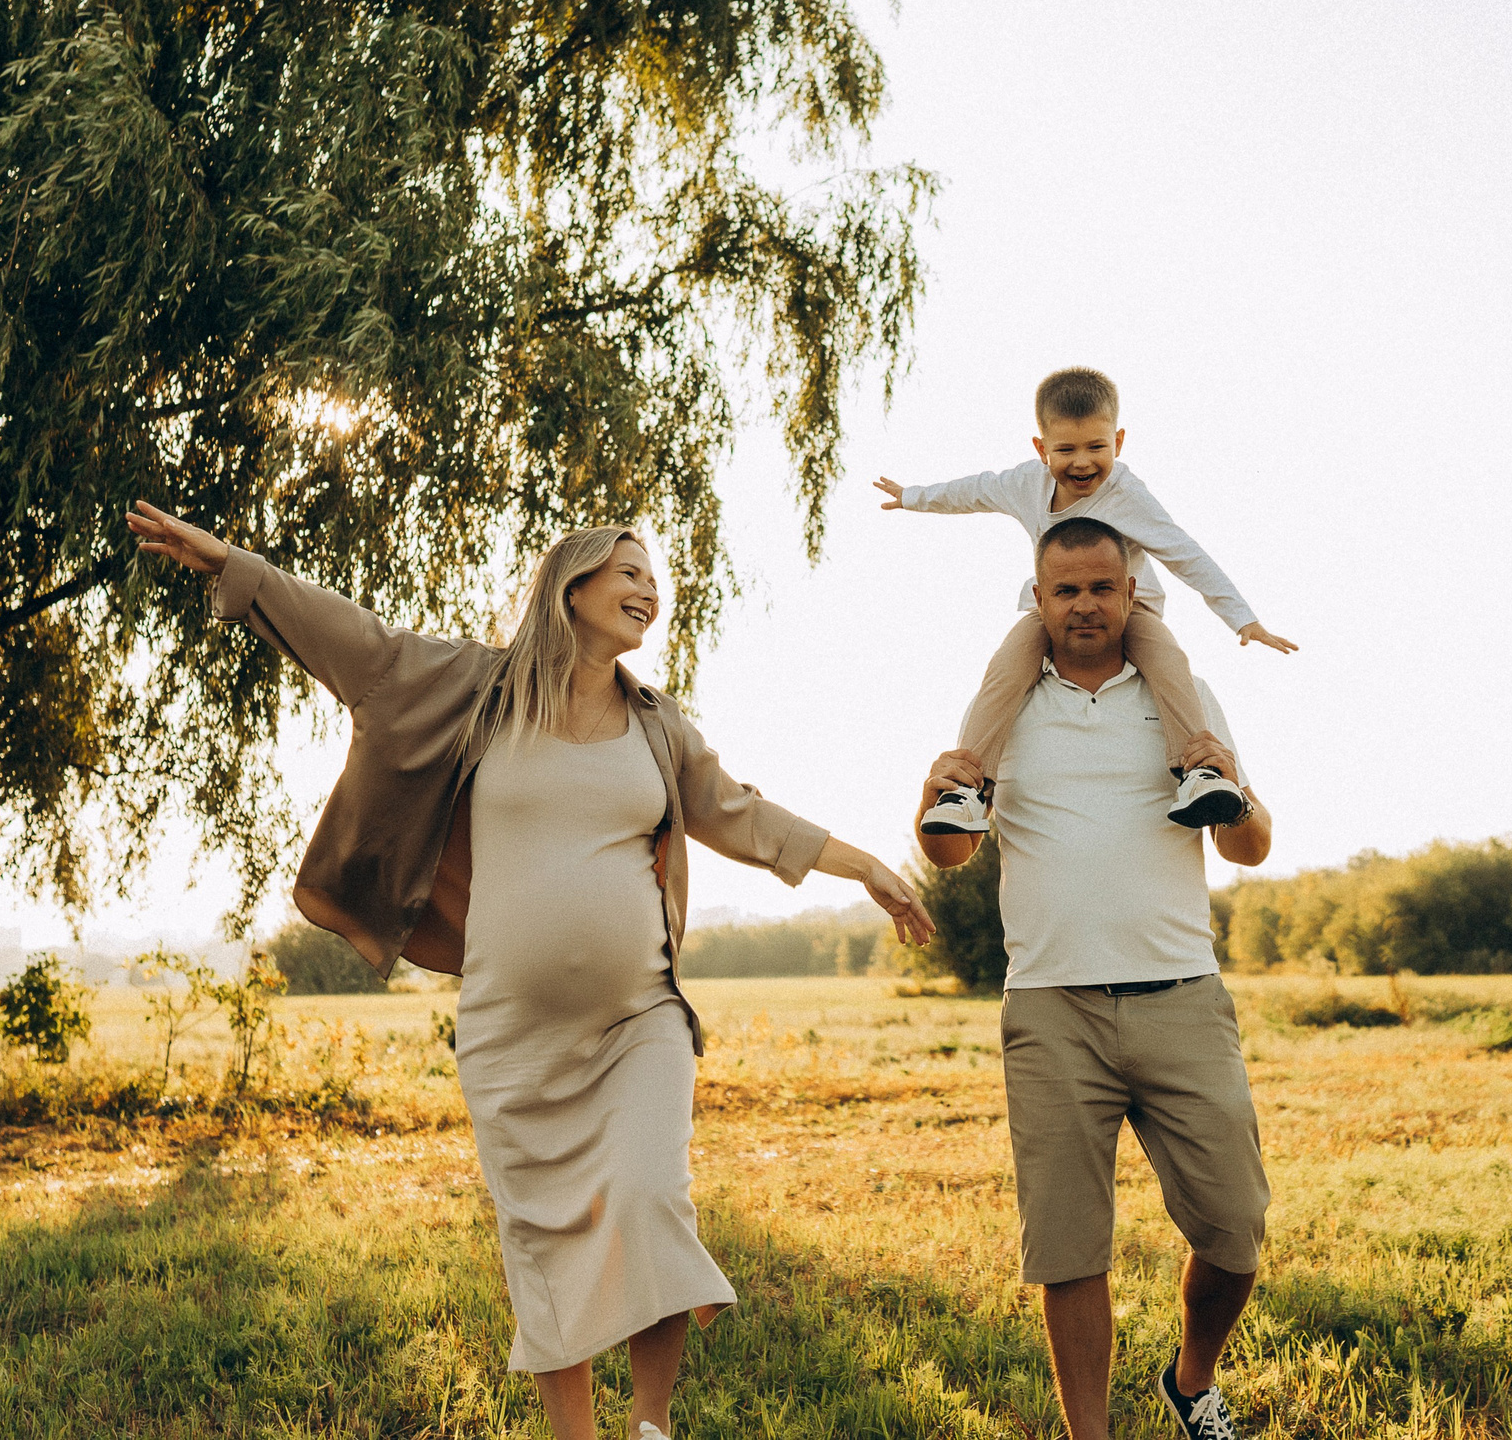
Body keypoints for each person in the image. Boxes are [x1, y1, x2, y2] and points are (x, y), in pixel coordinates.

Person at [128, 502, 933, 1440]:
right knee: (543, 1241)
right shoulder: (478, 691)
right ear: (572, 587)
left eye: (653, 578)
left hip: (639, 1022)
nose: (649, 588)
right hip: (511, 1032)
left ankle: (652, 1427)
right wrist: (241, 567)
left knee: (649, 1200)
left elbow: (742, 816)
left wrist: (867, 865)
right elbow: (355, 642)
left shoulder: (657, 726)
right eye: (629, 572)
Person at [914, 515, 1273, 1440]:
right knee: (1071, 1250)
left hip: (1182, 997)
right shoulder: (1004, 708)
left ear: (1130, 595)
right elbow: (952, 852)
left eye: (1101, 589)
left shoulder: (1179, 694)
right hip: (1051, 1009)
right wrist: (930, 805)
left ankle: (1192, 1381)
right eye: (1065, 590)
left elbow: (1252, 844)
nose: (1084, 605)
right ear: (1039, 600)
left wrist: (1228, 781)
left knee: (1235, 1231)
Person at [872, 364, 1295, 837]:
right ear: (1041, 449)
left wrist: (1243, 620)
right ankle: (967, 789)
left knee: (1168, 662)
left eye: (1097, 447)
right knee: (1005, 670)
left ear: (1118, 441)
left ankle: (1199, 772)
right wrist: (913, 496)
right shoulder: (1025, 484)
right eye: (1066, 449)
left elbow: (1184, 553)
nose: (1082, 463)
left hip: (1129, 609)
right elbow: (973, 491)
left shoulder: (1127, 495)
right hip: (1051, 609)